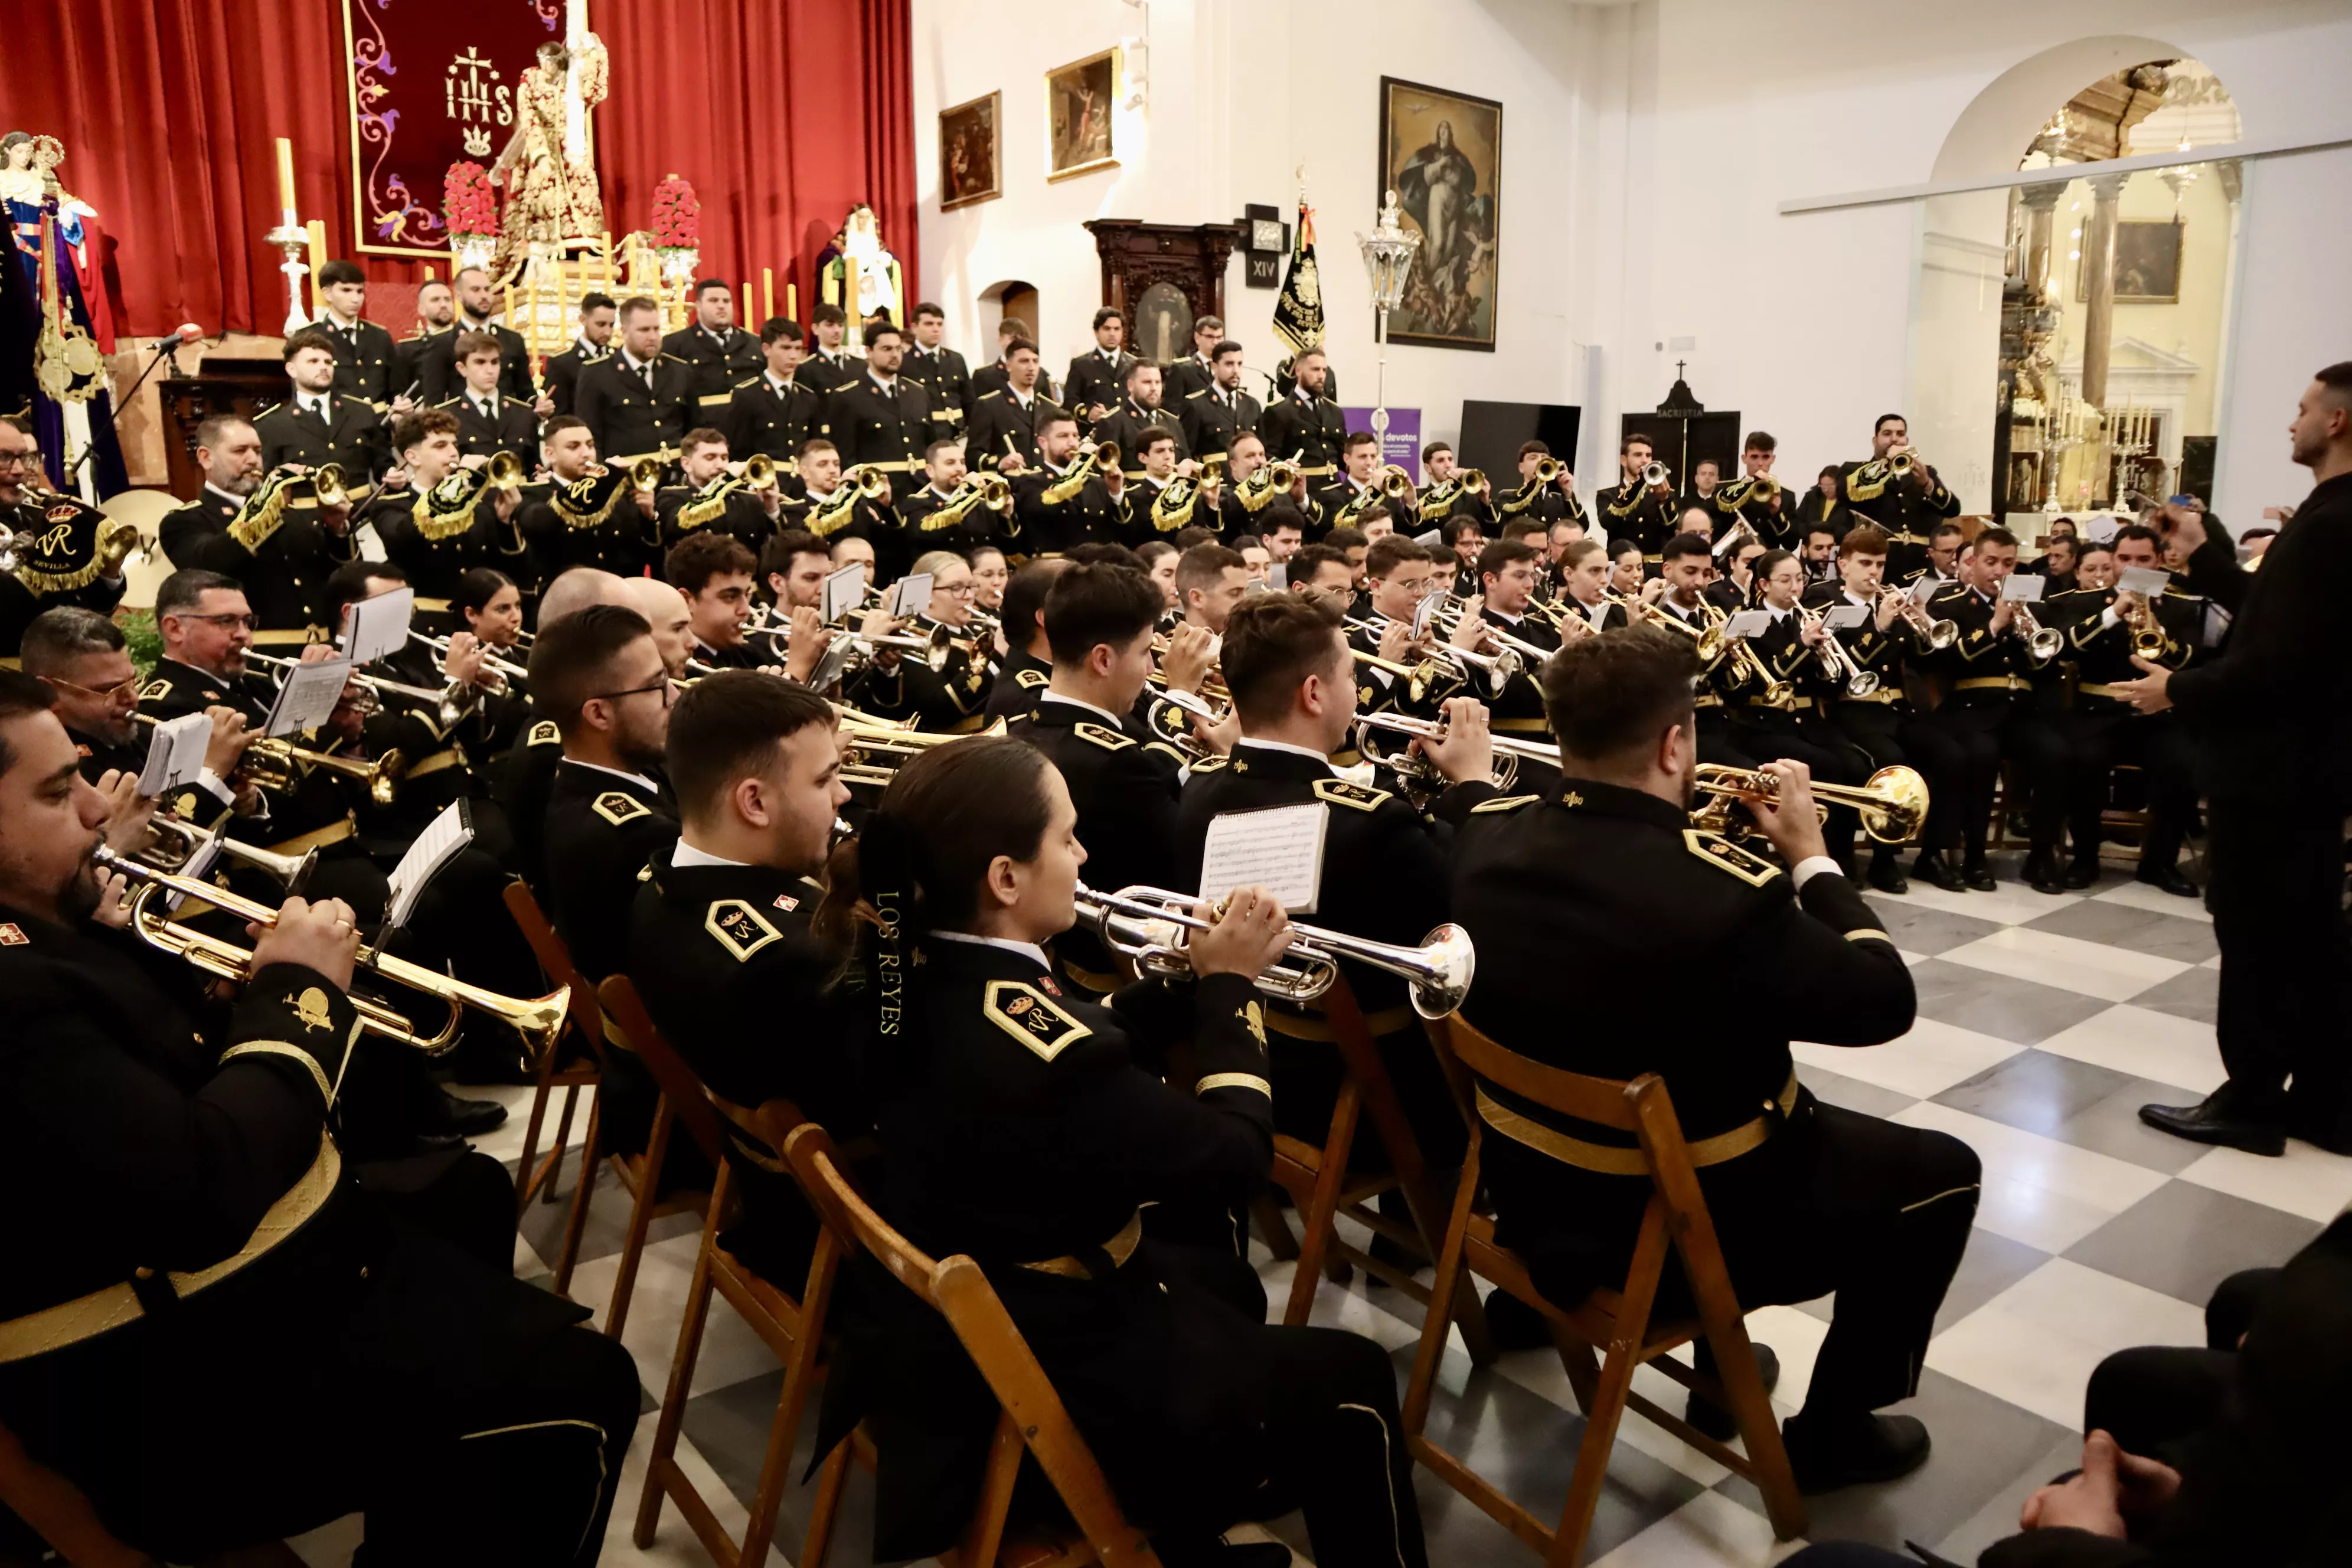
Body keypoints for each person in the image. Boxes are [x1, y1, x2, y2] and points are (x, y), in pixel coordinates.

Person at [0, 670, 639, 1562]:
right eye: (56, 791)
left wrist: (202, 982)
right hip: (161, 1380)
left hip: (217, 1289)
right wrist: (294, 993)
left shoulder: (32, 936)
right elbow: (203, 1190)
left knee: (466, 1191)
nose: (96, 813)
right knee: (584, 1386)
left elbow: (141, 1059)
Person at [814, 737, 1432, 1567]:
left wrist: (1185, 975)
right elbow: (1237, 1161)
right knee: (1355, 1376)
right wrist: (1230, 995)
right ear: (1004, 879)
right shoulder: (1043, 1055)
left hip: (964, 1313)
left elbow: (1060, 1035)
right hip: (1064, 1361)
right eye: (1067, 838)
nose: (1085, 853)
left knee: (1226, 1279)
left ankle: (1192, 1539)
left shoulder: (893, 969)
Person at [1444, 626, 1979, 1489]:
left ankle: (1724, 1365)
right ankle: (1836, 1432)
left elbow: (1509, 822)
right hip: (1673, 1231)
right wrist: (1811, 860)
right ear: (1675, 742)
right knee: (1944, 1171)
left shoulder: (1482, 838)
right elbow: (1885, 1003)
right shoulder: (1730, 894)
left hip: (1535, 1201)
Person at [2119, 365, 2352, 1157]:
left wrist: (2176, 691)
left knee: (2257, 934)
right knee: (2311, 934)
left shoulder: (2329, 524)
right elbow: (2280, 624)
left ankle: (2251, 1099)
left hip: (2277, 773)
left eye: (2303, 410)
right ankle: (2326, 1101)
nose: (2293, 423)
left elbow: (2275, 666)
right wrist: (2204, 556)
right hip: (2311, 772)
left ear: (2339, 423)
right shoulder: (2334, 516)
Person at [629, 672, 862, 1281]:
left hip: (772, 1201)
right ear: (754, 802)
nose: (843, 796)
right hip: (842, 1244)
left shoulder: (657, 889)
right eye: (824, 779)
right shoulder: (790, 962)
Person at [1007, 561, 1210, 994]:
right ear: (1102, 659)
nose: (1153, 667)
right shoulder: (1118, 763)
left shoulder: (1022, 726)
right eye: (1144, 653)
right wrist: (1220, 761)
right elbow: (1191, 866)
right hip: (1134, 982)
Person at [1802, 523, 1965, 893]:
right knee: (1893, 761)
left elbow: (1923, 661)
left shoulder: (1891, 602)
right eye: (1864, 563)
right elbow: (1833, 675)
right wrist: (1879, 627)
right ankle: (1884, 860)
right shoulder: (1826, 605)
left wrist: (1924, 620)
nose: (1874, 572)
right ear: (1843, 565)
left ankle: (1932, 855)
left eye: (1879, 564)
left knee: (1949, 755)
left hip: (1898, 710)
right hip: (1853, 712)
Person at [2037, 524, 2199, 896]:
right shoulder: (2081, 601)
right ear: (2113, 560)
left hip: (2156, 715)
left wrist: (2155, 626)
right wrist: (2116, 613)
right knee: (2082, 760)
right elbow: (2066, 647)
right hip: (2098, 711)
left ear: (2159, 562)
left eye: (2144, 559)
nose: (2133, 566)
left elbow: (2189, 660)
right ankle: (2085, 858)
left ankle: (2159, 863)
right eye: (2125, 559)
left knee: (2183, 763)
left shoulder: (2180, 603)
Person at [1922, 527, 2070, 893]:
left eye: (2008, 563)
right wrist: (1994, 625)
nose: (1999, 572)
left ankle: (2041, 853)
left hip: (2020, 711)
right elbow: (1950, 660)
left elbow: (2048, 669)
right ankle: (1975, 854)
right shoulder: (1950, 604)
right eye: (1991, 562)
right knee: (1981, 755)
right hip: (1970, 709)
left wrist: (2030, 638)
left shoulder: (2035, 607)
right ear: (1972, 563)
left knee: (2056, 753)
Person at [157, 414, 357, 641]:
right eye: (240, 451)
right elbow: (211, 563)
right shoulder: (185, 521)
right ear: (206, 458)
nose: (253, 460)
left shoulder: (292, 516)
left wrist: (336, 528)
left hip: (322, 650)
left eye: (258, 451)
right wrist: (267, 502)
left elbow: (340, 579)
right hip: (256, 657)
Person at [361, 410, 524, 624]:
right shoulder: (392, 505)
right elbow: (406, 536)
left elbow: (513, 574)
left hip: (478, 625)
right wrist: (460, 482)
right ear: (412, 457)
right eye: (440, 446)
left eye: (454, 444)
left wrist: (505, 521)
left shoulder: (479, 508)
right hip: (426, 624)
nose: (453, 453)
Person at [516, 416, 651, 584]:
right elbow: (540, 522)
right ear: (550, 454)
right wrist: (601, 480)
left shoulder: (613, 492)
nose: (586, 453)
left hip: (616, 592)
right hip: (564, 597)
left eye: (590, 445)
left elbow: (640, 554)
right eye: (573, 447)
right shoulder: (534, 493)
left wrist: (649, 516)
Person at [254, 328, 387, 485]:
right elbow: (264, 481)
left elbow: (384, 464)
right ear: (292, 369)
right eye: (313, 361)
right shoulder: (272, 425)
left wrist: (390, 474)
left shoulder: (361, 412)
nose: (324, 367)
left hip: (361, 507)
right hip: (306, 508)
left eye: (328, 362)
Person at [574, 295, 694, 466]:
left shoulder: (679, 370)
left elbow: (695, 429)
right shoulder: (597, 373)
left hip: (676, 473)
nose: (653, 336)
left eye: (656, 329)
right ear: (624, 331)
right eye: (644, 330)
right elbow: (591, 436)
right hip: (627, 475)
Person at [1839, 413, 1961, 581]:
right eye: (1887, 434)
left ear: (1907, 441)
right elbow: (1845, 494)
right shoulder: (1854, 470)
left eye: (1900, 434)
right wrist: (1886, 464)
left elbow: (1953, 509)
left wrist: (1927, 483)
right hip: (1877, 563)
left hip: (1921, 565)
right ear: (1875, 441)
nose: (1894, 439)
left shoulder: (1925, 472)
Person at [414, 266, 534, 407]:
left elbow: (525, 392)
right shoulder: (442, 343)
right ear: (458, 296)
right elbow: (434, 402)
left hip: (508, 424)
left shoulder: (512, 339)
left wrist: (538, 403)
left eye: (487, 289)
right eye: (476, 290)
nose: (484, 296)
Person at [436, 329, 545, 466]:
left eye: (494, 362)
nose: (490, 370)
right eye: (480, 362)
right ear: (462, 368)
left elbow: (534, 468)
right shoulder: (448, 416)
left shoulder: (523, 414)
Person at [729, 316, 824, 473]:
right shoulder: (747, 395)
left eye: (798, 348)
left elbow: (815, 449)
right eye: (786, 348)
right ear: (766, 349)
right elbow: (738, 453)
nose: (794, 356)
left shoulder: (808, 397)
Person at [310, 259, 398, 406]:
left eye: (360, 291)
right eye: (346, 290)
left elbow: (395, 388)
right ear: (327, 294)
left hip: (380, 424)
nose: (356, 299)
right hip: (337, 425)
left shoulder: (379, 336)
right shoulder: (311, 337)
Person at [662, 279, 762, 407]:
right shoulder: (674, 345)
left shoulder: (755, 342)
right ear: (698, 306)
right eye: (713, 301)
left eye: (726, 301)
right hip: (702, 423)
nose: (721, 306)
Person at [965, 335, 1056, 476]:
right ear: (1008, 366)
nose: (1031, 368)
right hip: (1011, 489)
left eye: (1035, 362)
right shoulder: (990, 406)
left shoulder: (1050, 408)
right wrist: (1000, 462)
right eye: (1024, 361)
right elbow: (972, 456)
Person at [1255, 347, 1347, 483]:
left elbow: (1344, 457)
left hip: (1336, 488)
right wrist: (1283, 466)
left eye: (1324, 370)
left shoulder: (1334, 411)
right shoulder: (1279, 411)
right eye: (1315, 370)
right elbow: (1268, 456)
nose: (1321, 376)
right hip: (1301, 489)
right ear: (1298, 371)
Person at [1598, 433, 1680, 571]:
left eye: (1648, 456)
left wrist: (1664, 500)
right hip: (1621, 568)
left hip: (1654, 567)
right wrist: (1635, 488)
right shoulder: (1607, 495)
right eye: (1638, 455)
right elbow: (1607, 522)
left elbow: (1672, 530)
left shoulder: (1665, 493)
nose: (1644, 460)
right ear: (1624, 460)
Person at [1178, 338, 1259, 462]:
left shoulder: (1252, 405)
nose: (1236, 371)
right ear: (1214, 367)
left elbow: (1264, 450)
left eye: (1240, 364)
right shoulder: (1197, 405)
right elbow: (1187, 455)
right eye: (1229, 364)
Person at [541, 290, 616, 418]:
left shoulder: (618, 357)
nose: (607, 332)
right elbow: (559, 418)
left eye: (611, 325)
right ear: (583, 320)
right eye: (601, 324)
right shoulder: (562, 364)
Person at [902, 300, 972, 434]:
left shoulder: (955, 359)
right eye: (929, 324)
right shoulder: (906, 362)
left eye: (940, 324)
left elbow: (969, 401)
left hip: (959, 432)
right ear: (914, 328)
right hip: (927, 434)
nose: (936, 329)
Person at [1061, 306, 1138, 420]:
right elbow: (1069, 402)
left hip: (1129, 430)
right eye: (1107, 329)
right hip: (1096, 431)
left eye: (1117, 329)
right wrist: (1088, 413)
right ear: (1097, 332)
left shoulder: (1134, 364)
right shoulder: (1081, 365)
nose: (1112, 334)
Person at [969, 313, 1059, 406]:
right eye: (1014, 338)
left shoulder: (1041, 374)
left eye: (1024, 338)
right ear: (1001, 340)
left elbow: (1050, 410)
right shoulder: (985, 375)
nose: (1019, 343)